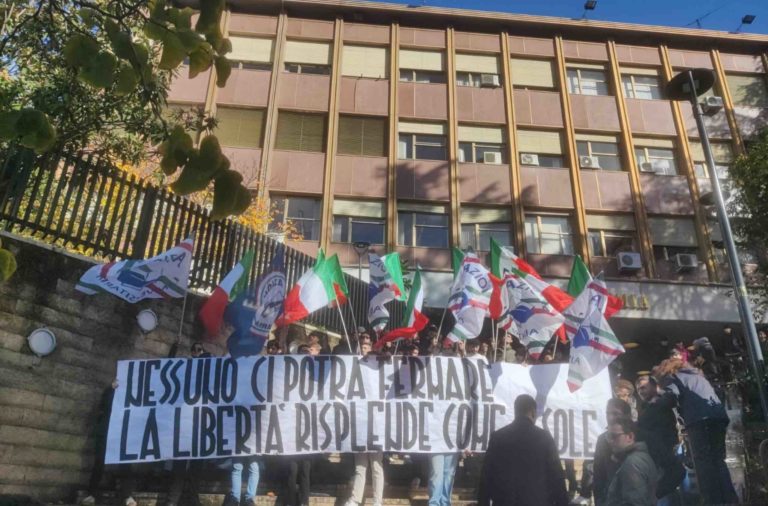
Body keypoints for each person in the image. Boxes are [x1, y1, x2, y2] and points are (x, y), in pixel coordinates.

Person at [653, 357, 738, 505]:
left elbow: (671, 396)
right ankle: (729, 499)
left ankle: (712, 501)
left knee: (703, 462)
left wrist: (655, 403)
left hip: (699, 420)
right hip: (717, 417)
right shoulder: (695, 375)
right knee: (718, 460)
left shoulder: (672, 377)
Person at [478, 394, 568, 506]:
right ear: (533, 412)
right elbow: (557, 476)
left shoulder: (498, 437)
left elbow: (486, 476)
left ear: (515, 412)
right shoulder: (544, 438)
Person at [165, 341, 209, 506]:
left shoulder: (209, 371)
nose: (196, 352)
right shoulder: (184, 367)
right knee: (180, 463)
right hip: (184, 423)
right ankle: (172, 500)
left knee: (197, 465)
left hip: (201, 424)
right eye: (194, 349)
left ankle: (192, 497)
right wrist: (173, 350)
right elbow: (167, 369)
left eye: (200, 349)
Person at [345, 342, 384, 506]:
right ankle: (355, 499)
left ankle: (377, 500)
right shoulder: (352, 369)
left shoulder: (378, 369)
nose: (364, 350)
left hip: (376, 426)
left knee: (376, 466)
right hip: (359, 426)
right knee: (360, 467)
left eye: (367, 348)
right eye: (362, 348)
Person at [635, 375, 683, 505]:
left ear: (654, 386)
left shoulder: (663, 402)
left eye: (644, 387)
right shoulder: (645, 409)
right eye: (638, 389)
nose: (641, 391)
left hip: (666, 455)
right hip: (654, 457)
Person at [587, 398, 632, 506]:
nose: (611, 417)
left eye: (616, 413)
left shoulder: (643, 436)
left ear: (627, 415)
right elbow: (599, 475)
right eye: (608, 413)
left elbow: (674, 470)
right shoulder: (602, 440)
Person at [605, 416, 659, 506]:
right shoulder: (638, 458)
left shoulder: (632, 463)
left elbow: (634, 502)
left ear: (630, 437)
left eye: (614, 436)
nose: (610, 441)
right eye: (608, 436)